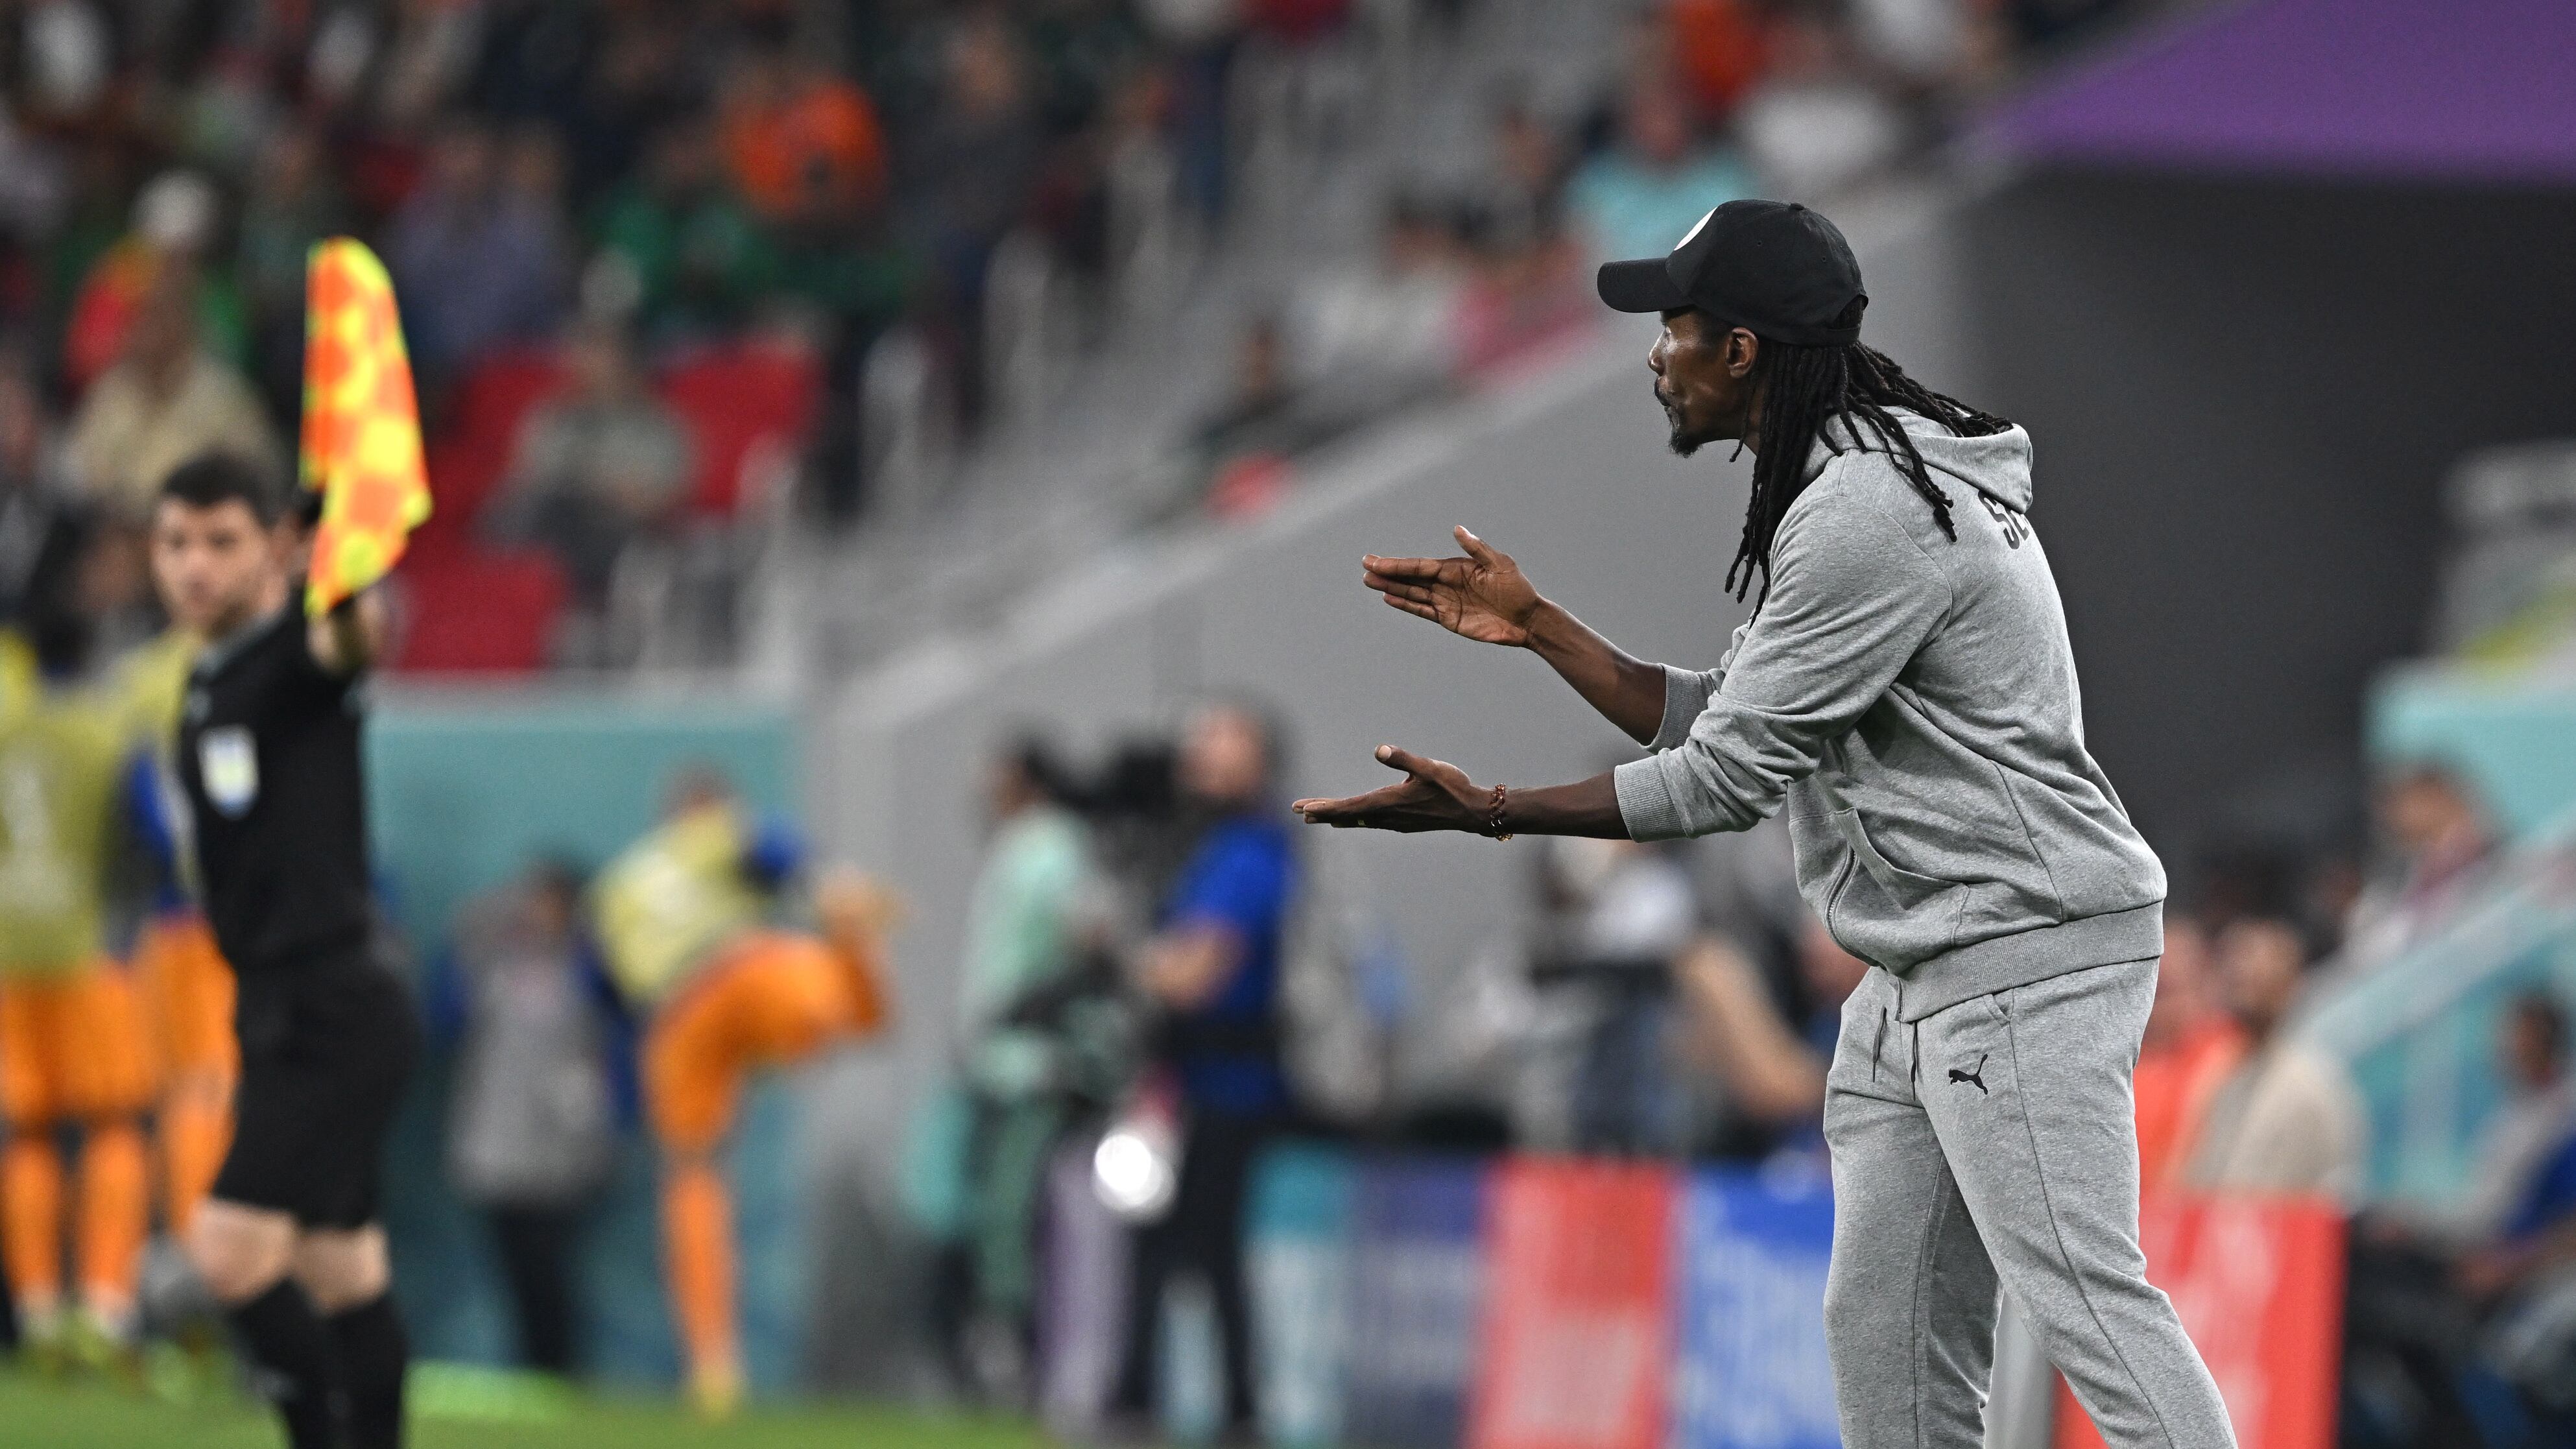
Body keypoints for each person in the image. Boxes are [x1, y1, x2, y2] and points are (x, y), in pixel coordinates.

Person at [1293, 200, 2236, 1448]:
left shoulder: (1864, 513)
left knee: (2085, 1301)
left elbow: (1720, 780)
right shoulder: (1859, 479)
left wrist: (1495, 813)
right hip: (1928, 962)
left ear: (1740, 351)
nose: (1654, 354)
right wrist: (1539, 626)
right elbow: (1728, 717)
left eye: (1674, 328)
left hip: (2019, 952)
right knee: (1881, 1330)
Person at [149, 454, 417, 1449]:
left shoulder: (293, 656)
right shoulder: (209, 674)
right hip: (283, 999)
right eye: (175, 542)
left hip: (330, 1003)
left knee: (228, 1251)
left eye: (222, 541)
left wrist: (340, 570)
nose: (194, 566)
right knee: (338, 1264)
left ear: (273, 545)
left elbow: (354, 640)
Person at [588, 769, 894, 1417]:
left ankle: (713, 1367)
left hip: (673, 1019)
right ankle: (838, 972)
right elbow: (777, 845)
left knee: (694, 1178)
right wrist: (828, 883)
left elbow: (607, 999)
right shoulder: (711, 831)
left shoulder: (618, 884)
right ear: (703, 807)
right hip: (743, 969)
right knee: (849, 1007)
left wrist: (625, 1102)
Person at [1110, 702, 1298, 1439]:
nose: (1200, 751)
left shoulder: (1251, 852)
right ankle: (1166, 1399)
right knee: (1175, 1245)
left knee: (1203, 1247)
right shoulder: (1199, 847)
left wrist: (1132, 958)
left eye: (1221, 739)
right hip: (1189, 1082)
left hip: (1230, 1086)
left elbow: (1193, 974)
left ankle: (1217, 1406)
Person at [0, 512, 159, 1369]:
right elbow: (157, 837)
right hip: (89, 947)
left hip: (5, 949)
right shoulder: (109, 719)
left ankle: (34, 1312)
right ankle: (106, 1308)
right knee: (114, 1126)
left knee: (22, 1133)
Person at [948, 739, 1105, 1396]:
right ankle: (1004, 1337)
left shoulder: (1056, 844)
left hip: (1035, 1060)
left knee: (1017, 1208)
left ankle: (1023, 1346)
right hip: (999, 1058)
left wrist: (1052, 1007)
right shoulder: (1018, 843)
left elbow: (1087, 936)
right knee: (990, 1208)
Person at [435, 860, 623, 1378]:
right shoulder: (496, 963)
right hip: (498, 1147)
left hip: (566, 1151)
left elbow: (622, 1012)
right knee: (514, 1270)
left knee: (553, 1272)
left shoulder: (588, 967)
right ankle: (531, 1372)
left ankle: (560, 1370)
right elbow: (448, 1019)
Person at [64, 262, 280, 522]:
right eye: (142, 320)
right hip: (120, 532)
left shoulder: (225, 397)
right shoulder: (111, 394)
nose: (150, 332)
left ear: (185, 325)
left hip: (198, 533)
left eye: (162, 318)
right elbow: (76, 475)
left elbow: (258, 476)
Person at [2181, 914, 2364, 1199]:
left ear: (2289, 983)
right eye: (2234, 970)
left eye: (2255, 974)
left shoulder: (2310, 1085)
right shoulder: (2221, 1078)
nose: (2240, 975)